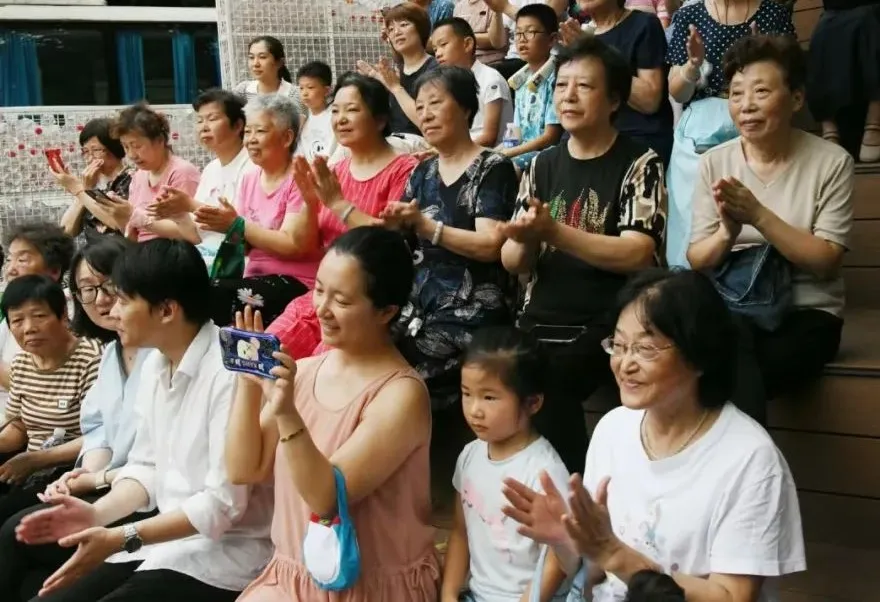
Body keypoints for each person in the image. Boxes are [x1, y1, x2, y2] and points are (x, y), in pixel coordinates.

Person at [501, 269, 806, 601]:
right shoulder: (613, 429)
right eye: (619, 345)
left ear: (699, 355)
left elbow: (732, 596)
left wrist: (618, 555)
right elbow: (596, 571)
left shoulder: (751, 459)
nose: (624, 364)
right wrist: (566, 540)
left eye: (645, 349)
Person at [14, 239, 274, 602]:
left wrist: (121, 535)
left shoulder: (228, 373)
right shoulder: (156, 363)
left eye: (122, 300)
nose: (112, 311)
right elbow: (146, 466)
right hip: (167, 543)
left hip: (227, 557)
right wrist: (96, 514)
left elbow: (222, 504)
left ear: (166, 310)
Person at [228, 227, 439, 602]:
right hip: (290, 577)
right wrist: (248, 382)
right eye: (320, 290)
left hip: (369, 589)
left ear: (386, 311)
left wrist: (287, 414)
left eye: (341, 300)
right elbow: (244, 469)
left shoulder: (400, 395)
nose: (321, 308)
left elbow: (325, 499)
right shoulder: (305, 371)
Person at [499, 35, 667, 473]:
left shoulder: (640, 162)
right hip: (542, 316)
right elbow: (513, 262)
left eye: (584, 86)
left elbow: (638, 253)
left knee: (552, 381)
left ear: (614, 100)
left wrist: (554, 231)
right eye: (561, 86)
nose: (568, 96)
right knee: (493, 367)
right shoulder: (541, 165)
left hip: (613, 317)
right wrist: (524, 238)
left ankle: (573, 490)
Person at [687, 35, 853, 421]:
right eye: (736, 93)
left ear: (796, 99)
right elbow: (697, 258)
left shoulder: (833, 162)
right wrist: (727, 234)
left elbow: (826, 261)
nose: (745, 105)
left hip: (805, 312)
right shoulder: (714, 162)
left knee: (720, 365)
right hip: (731, 304)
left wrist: (758, 216)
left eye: (761, 91)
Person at [0, 237, 154, 602]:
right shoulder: (112, 353)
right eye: (88, 289)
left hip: (143, 497)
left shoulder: (154, 354)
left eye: (110, 286)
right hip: (101, 482)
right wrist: (83, 476)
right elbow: (98, 430)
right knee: (25, 561)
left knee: (15, 532)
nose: (101, 300)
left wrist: (89, 478)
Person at [381, 65, 517, 410]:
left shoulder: (493, 167)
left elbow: (491, 246)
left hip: (469, 308)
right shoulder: (421, 171)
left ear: (466, 108)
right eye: (420, 107)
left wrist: (428, 227)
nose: (425, 115)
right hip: (417, 304)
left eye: (435, 103)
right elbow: (403, 243)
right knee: (363, 343)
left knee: (396, 370)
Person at [266, 73, 418, 359]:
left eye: (352, 110)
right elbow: (309, 245)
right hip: (321, 297)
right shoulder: (334, 172)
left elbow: (392, 243)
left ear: (380, 120)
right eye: (335, 110)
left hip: (363, 305)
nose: (341, 119)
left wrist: (338, 204)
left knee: (318, 367)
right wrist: (310, 202)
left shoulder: (405, 170)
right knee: (264, 352)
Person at [440, 327, 569, 602]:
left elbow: (556, 562)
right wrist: (448, 594)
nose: (474, 410)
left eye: (489, 397)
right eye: (467, 393)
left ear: (532, 403)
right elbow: (461, 532)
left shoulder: (544, 473)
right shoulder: (470, 455)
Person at [664, 0, 794, 267]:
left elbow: (791, 80)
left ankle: (757, 279)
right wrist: (693, 65)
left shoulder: (774, 13)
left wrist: (764, 61)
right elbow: (678, 92)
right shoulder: (689, 15)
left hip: (760, 121)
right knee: (691, 220)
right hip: (700, 128)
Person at [195, 94, 310, 326]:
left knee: (210, 296)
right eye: (248, 132)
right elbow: (246, 246)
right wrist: (229, 228)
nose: (250, 140)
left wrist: (237, 224)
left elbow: (292, 245)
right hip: (253, 276)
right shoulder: (250, 178)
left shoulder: (301, 177)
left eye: (260, 131)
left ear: (287, 138)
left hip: (294, 281)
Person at [0, 275, 102, 525]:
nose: (29, 328)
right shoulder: (22, 363)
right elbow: (18, 428)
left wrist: (36, 461)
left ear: (63, 315)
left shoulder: (91, 359)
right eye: (17, 320)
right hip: (30, 468)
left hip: (71, 473)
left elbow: (101, 436)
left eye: (39, 316)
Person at [149, 89, 254, 271]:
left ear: (238, 125)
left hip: (239, 262)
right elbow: (196, 237)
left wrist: (189, 204)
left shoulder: (253, 166)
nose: (204, 127)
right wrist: (179, 215)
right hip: (207, 256)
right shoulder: (211, 169)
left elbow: (245, 233)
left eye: (212, 119)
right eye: (199, 120)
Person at [559, 0, 674, 166]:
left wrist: (596, 51)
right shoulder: (578, 34)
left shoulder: (643, 24)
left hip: (635, 139)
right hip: (584, 139)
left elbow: (650, 101)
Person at [99, 103, 202, 244]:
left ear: (160, 140)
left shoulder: (182, 172)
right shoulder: (139, 176)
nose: (132, 155)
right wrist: (121, 216)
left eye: (137, 146)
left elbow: (191, 231)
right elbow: (134, 235)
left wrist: (137, 217)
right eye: (126, 147)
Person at [0, 223, 75, 412]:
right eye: (9, 260)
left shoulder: (70, 314)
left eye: (22, 260)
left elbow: (47, 388)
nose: (10, 270)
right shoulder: (12, 311)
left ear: (54, 271)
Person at [806, 0, 880, 162]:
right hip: (836, 12)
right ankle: (830, 132)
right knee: (822, 30)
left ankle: (874, 124)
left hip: (872, 12)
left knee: (870, 21)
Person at [359, 2, 439, 139]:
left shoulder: (436, 69)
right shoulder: (397, 72)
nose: (396, 32)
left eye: (403, 25)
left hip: (422, 141)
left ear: (421, 29)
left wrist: (396, 88)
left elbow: (427, 123)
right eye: (390, 29)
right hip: (394, 139)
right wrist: (379, 79)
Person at [432, 17, 515, 147]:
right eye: (435, 49)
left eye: (443, 45)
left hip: (491, 152)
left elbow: (489, 137)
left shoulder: (490, 79)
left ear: (467, 44)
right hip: (461, 149)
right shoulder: (450, 85)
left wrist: (450, 149)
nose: (438, 54)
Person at [502, 4, 564, 172]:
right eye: (518, 33)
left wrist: (508, 154)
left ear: (551, 39)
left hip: (547, 153)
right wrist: (500, 151)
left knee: (507, 169)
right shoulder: (520, 80)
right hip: (521, 150)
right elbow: (515, 130)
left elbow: (550, 137)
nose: (522, 39)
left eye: (530, 32)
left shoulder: (557, 78)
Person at [51, 118, 133, 243]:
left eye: (96, 150)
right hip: (91, 252)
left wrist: (79, 190)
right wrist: (83, 190)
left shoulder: (130, 178)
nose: (90, 158)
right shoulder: (92, 182)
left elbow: (115, 222)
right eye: (86, 151)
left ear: (114, 148)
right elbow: (66, 231)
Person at [233, 36, 305, 116]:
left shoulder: (295, 95)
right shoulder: (242, 91)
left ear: (280, 62)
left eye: (262, 57)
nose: (255, 64)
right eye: (251, 57)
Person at [294, 61, 338, 161]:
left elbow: (331, 151)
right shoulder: (304, 121)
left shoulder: (333, 117)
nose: (304, 93)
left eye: (310, 87)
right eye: (301, 88)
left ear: (327, 90)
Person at [454, 0, 509, 65]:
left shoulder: (495, 2)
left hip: (492, 62)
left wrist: (466, 37)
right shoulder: (459, 7)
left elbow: (499, 41)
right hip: (464, 64)